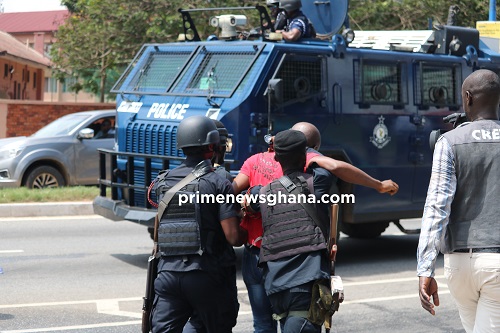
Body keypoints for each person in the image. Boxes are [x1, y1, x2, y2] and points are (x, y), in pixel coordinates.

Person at [232, 121, 398, 333]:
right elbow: (336, 166)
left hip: (269, 273)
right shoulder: (316, 181)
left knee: (263, 326)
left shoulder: (260, 189)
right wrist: (379, 185)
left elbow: (234, 195)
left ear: (276, 154)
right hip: (305, 278)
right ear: (309, 152)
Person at [417, 69, 500, 333]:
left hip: (459, 265)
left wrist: (425, 268)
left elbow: (437, 207)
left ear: (467, 98)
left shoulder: (449, 142)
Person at [150, 115, 247, 333]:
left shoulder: (164, 182)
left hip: (167, 275)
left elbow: (158, 232)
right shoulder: (218, 183)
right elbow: (233, 237)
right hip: (205, 274)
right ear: (212, 146)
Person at [258, 129, 332, 332]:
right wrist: (311, 152)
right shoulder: (316, 183)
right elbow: (329, 168)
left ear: (277, 158)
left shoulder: (263, 193)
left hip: (275, 287)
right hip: (305, 284)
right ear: (305, 155)